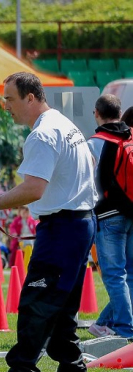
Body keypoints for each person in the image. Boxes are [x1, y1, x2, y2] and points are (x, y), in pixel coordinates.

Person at [0, 72, 97, 372]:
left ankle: (21, 371)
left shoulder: (42, 134)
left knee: (36, 301)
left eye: (10, 98)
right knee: (63, 303)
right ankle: (72, 367)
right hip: (79, 223)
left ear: (30, 97)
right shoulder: (63, 124)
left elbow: (34, 188)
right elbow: (87, 162)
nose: (5, 105)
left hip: (63, 228)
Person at [86, 94, 133, 339]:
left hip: (108, 214)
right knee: (130, 275)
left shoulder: (95, 142)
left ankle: (124, 328)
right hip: (131, 212)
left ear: (97, 113)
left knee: (114, 275)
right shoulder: (131, 137)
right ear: (119, 111)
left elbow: (86, 182)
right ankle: (105, 321)